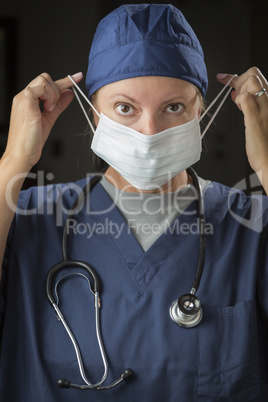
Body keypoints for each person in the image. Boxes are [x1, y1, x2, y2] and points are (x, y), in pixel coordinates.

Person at [0, 3, 268, 401]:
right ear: (95, 117)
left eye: (173, 108)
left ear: (201, 111)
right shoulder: (29, 217)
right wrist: (14, 161)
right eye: (125, 108)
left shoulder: (250, 225)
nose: (149, 133)